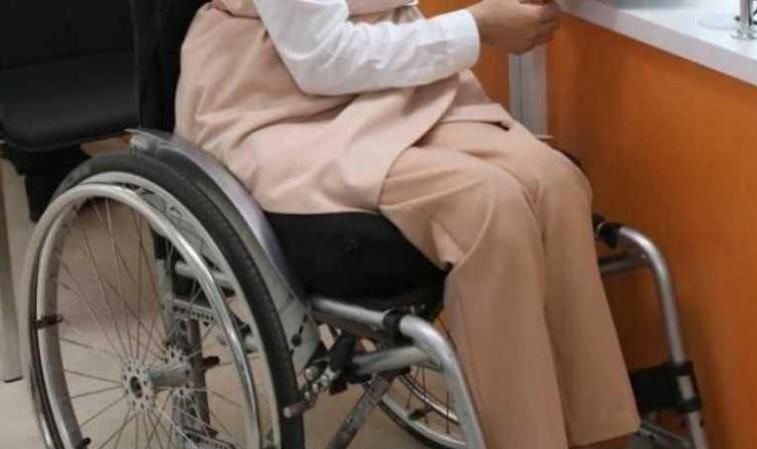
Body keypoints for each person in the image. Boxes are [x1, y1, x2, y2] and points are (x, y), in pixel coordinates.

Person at [175, 0, 640, 447]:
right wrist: (477, 28)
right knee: (487, 206)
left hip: (393, 85)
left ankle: (599, 435)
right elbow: (322, 59)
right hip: (282, 104)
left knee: (555, 183)